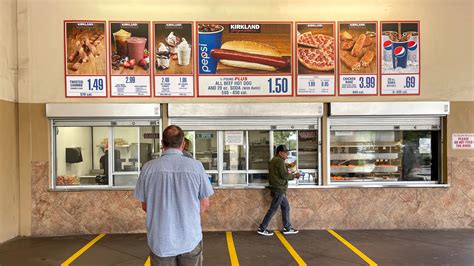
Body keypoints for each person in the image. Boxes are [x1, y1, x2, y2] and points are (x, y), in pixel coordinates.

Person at [135, 125, 214, 266]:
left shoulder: (148, 168)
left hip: (161, 240)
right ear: (183, 143)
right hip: (190, 238)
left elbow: (145, 206)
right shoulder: (196, 167)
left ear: (162, 143)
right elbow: (205, 203)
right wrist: (187, 218)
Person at [257, 144, 300, 236]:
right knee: (273, 209)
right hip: (279, 189)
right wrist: (295, 176)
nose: (287, 155)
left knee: (286, 207)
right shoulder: (279, 161)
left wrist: (289, 165)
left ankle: (287, 227)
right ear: (280, 153)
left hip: (277, 188)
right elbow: (284, 175)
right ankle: (262, 228)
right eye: (286, 153)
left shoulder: (275, 160)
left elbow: (281, 167)